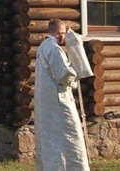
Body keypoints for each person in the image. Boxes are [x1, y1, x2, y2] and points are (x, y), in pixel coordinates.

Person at [34, 19, 89, 171]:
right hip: (58, 101)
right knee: (69, 135)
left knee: (51, 138)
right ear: (59, 33)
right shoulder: (54, 49)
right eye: (64, 33)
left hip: (47, 101)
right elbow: (62, 75)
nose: (65, 37)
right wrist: (75, 72)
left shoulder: (43, 46)